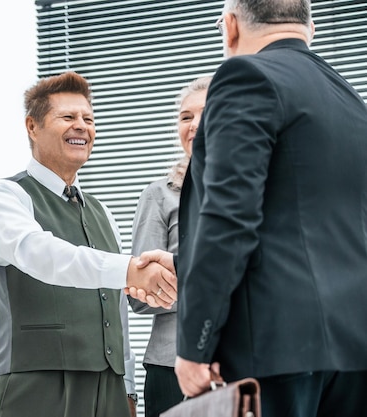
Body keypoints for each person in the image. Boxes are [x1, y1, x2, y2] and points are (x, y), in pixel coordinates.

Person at [140, 1, 367, 415]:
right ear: (309, 28)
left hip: (274, 350)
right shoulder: (350, 98)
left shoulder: (246, 76)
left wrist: (194, 346)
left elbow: (229, 219)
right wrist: (183, 262)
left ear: (229, 26)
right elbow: (309, 226)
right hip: (353, 355)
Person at [0, 70, 178, 417]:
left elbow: (116, 309)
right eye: (67, 117)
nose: (82, 126)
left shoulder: (102, 212)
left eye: (88, 119)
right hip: (35, 383)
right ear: (32, 127)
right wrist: (131, 270)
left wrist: (127, 387)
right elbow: (40, 254)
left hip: (109, 388)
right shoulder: (4, 197)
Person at [128, 76, 210, 416]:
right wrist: (213, 284)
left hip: (246, 360)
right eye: (185, 116)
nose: (193, 125)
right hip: (171, 366)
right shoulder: (159, 195)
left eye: (205, 113)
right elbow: (139, 294)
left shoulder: (257, 190)